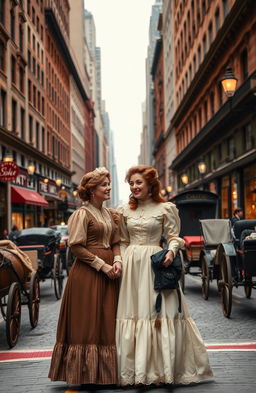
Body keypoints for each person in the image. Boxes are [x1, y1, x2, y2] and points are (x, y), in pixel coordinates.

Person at [116, 165, 213, 386]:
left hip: (155, 263)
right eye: (131, 183)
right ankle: (136, 373)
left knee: (157, 313)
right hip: (132, 267)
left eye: (138, 182)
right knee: (134, 314)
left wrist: (171, 251)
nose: (134, 186)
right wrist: (120, 262)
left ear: (151, 185)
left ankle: (162, 372)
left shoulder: (165, 208)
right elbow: (121, 241)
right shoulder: (123, 211)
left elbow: (174, 237)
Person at [48, 167, 122, 385]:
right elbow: (76, 246)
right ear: (91, 190)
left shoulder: (110, 214)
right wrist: (103, 265)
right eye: (104, 185)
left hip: (111, 272)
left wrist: (117, 261)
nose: (108, 188)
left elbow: (116, 241)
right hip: (88, 274)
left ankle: (107, 374)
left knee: (108, 319)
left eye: (109, 184)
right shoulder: (81, 214)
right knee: (88, 322)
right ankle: (86, 374)